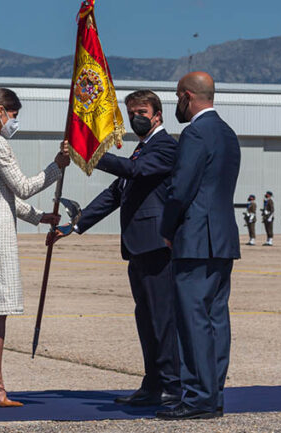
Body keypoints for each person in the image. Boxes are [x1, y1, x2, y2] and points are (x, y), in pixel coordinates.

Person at [53, 90, 181, 407]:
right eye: (131, 112)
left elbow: (133, 173)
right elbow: (115, 193)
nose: (136, 117)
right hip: (138, 247)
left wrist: (90, 151)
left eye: (141, 111)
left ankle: (171, 385)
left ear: (157, 116)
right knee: (146, 317)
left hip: (156, 246)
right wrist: (77, 225)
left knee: (161, 318)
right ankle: (152, 383)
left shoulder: (165, 147)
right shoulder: (141, 150)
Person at [0, 88, 69, 407]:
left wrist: (41, 217)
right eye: (14, 114)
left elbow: (5, 196)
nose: (15, 121)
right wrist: (57, 166)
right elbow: (23, 187)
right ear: (0, 111)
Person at [157, 71, 240, 420]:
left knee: (192, 322)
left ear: (188, 97)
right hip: (222, 239)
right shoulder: (228, 134)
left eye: (177, 97)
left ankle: (197, 398)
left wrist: (167, 228)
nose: (176, 103)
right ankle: (213, 394)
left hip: (194, 240)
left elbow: (181, 188)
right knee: (215, 320)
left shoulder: (194, 134)